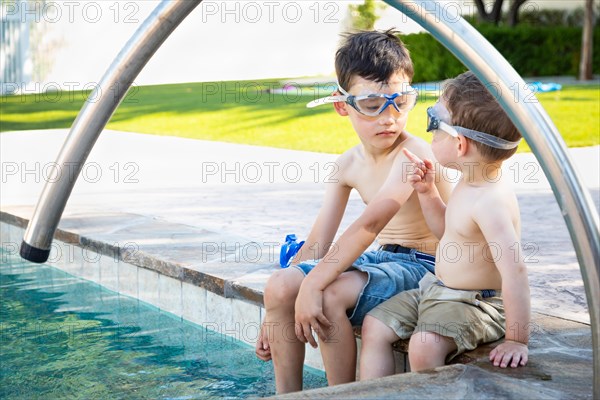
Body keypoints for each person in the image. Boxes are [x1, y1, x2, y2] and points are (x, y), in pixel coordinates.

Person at [254, 29, 452, 394]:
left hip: (427, 267)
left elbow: (371, 223)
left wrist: (313, 283)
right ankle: (288, 394)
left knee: (330, 293)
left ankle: (341, 393)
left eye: (401, 101)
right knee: (280, 285)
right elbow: (317, 243)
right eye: (373, 105)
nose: (389, 118)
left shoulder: (416, 153)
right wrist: (275, 309)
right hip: (382, 261)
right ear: (342, 105)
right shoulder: (346, 165)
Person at [358, 71, 531, 380]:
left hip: (477, 303)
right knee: (375, 324)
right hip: (437, 291)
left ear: (460, 144)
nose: (430, 135)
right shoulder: (470, 182)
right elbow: (448, 233)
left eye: (435, 126)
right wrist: (428, 192)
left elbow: (515, 271)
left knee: (423, 346)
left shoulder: (490, 202)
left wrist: (517, 339)